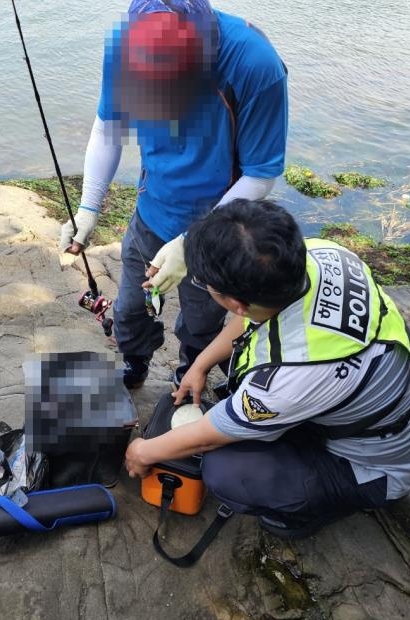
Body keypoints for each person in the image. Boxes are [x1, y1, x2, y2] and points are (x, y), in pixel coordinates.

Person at [124, 200, 410, 538]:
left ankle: (301, 515)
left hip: (372, 467)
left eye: (207, 286)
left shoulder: (290, 380)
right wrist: (202, 363)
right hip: (365, 408)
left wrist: (143, 451)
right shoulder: (320, 254)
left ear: (235, 301)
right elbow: (251, 316)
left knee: (226, 470)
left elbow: (213, 433)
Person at [59, 0, 288, 389]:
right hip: (153, 209)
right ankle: (135, 361)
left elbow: (261, 174)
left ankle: (190, 372)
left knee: (201, 318)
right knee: (131, 308)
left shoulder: (255, 64)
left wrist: (194, 241)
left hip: (219, 226)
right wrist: (88, 208)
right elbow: (107, 129)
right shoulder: (125, 51)